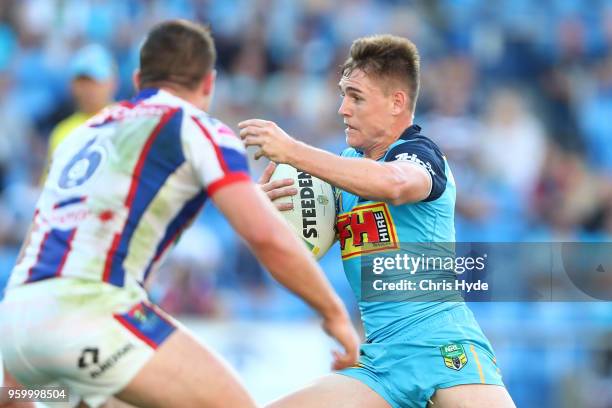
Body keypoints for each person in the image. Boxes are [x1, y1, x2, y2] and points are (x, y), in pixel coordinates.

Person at [0, 19, 359, 408]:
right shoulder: (196, 128)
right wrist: (334, 314)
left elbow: (59, 233)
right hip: (89, 317)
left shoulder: (79, 135)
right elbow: (266, 237)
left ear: (138, 79)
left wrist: (14, 378)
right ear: (209, 83)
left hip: (19, 323)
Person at [240, 34, 516, 408]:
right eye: (342, 95)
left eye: (356, 96)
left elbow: (396, 184)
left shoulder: (422, 156)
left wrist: (293, 150)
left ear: (396, 102)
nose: (342, 109)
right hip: (382, 365)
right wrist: (261, 217)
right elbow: (298, 257)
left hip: (445, 349)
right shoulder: (342, 175)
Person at [48, 44, 117, 158]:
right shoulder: (62, 133)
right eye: (82, 82)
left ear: (112, 83)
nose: (88, 89)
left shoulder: (128, 123)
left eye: (94, 81)